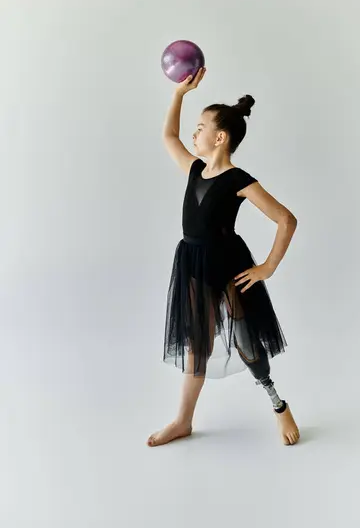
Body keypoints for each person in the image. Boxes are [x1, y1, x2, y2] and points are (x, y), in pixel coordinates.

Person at [148, 68, 299, 447]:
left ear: (220, 137)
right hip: (193, 264)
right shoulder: (195, 169)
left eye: (200, 127)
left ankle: (278, 405)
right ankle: (183, 421)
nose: (193, 134)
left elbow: (286, 219)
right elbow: (168, 135)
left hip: (228, 265)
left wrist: (268, 266)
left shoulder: (237, 180)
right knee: (198, 343)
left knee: (247, 341)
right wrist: (179, 95)